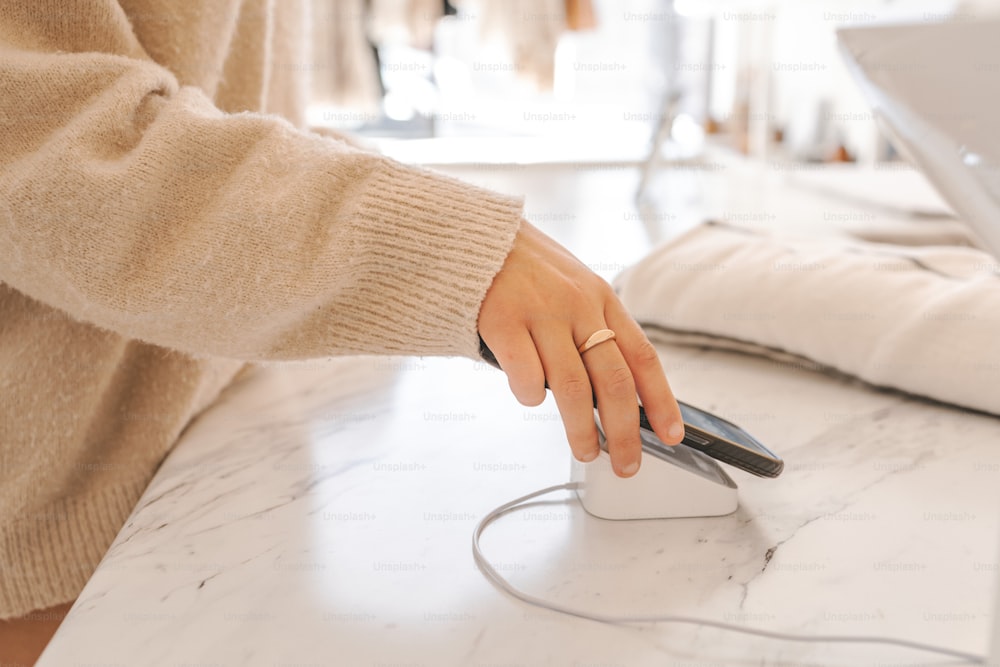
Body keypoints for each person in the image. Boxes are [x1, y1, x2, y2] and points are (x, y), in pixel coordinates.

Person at [0, 1, 684, 660]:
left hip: (210, 463)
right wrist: (436, 245)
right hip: (49, 544)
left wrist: (452, 233)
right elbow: (46, 145)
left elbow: (232, 110)